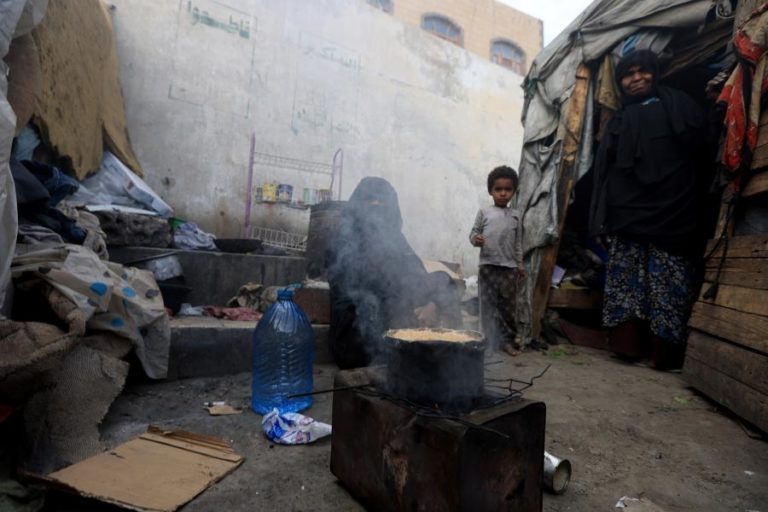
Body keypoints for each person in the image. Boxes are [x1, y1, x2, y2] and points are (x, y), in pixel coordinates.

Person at [589, 49, 705, 370]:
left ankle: (663, 355)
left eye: (643, 71)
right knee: (628, 284)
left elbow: (700, 149)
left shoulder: (678, 104)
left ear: (655, 73)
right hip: (628, 215)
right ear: (620, 82)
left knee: (667, 284)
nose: (637, 78)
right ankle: (627, 347)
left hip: (674, 213)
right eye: (628, 73)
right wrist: (605, 217)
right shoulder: (618, 121)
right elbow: (606, 173)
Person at [327, 177, 459, 369]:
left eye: (382, 204)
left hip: (398, 320)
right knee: (369, 305)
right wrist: (396, 309)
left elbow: (416, 276)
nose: (376, 210)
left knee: (443, 280)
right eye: (370, 203)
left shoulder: (395, 238)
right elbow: (350, 293)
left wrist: (432, 305)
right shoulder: (343, 242)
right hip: (358, 334)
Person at [469, 165, 525, 355]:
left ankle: (507, 340)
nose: (503, 193)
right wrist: (476, 240)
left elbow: (518, 243)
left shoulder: (516, 215)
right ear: (490, 191)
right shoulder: (484, 212)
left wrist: (520, 264)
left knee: (508, 307)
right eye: (498, 189)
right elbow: (474, 233)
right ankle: (487, 340)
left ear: (513, 191)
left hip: (508, 268)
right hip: (487, 267)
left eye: (507, 189)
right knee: (487, 306)